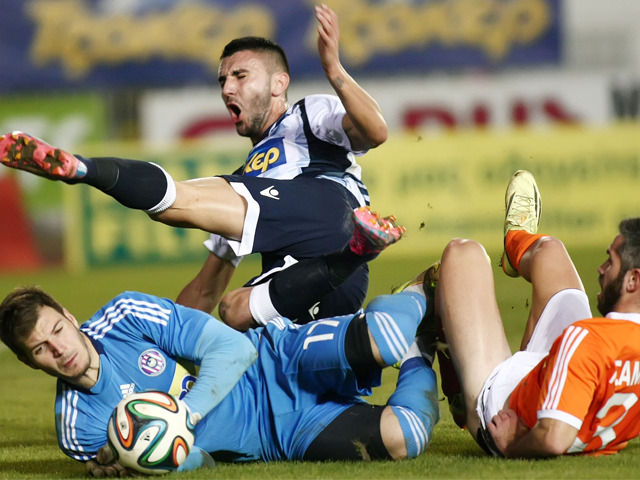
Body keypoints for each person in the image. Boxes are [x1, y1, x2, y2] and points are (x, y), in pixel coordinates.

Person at [0, 4, 391, 330]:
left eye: (240, 75)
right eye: (222, 81)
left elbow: (376, 132)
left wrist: (334, 70)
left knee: (180, 199)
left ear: (278, 84)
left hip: (333, 217)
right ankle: (388, 310)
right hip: (328, 283)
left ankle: (81, 169)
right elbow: (205, 290)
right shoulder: (245, 187)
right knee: (233, 312)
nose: (227, 88)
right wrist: (166, 347)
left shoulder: (307, 115)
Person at [0, 277, 439, 475]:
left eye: (57, 330)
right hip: (276, 439)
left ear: (69, 316)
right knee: (407, 435)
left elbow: (236, 348)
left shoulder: (126, 315)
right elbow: (201, 462)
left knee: (382, 337)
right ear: (29, 362)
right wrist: (154, 466)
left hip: (274, 365)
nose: (59, 350)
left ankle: (420, 292)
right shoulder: (79, 429)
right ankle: (421, 348)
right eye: (40, 349)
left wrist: (183, 416)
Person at [431, 169, 640, 458]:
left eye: (610, 261)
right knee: (549, 249)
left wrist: (511, 444)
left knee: (462, 253)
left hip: (502, 409)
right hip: (557, 376)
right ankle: (515, 240)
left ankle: (458, 384)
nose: (601, 269)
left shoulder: (586, 338)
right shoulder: (590, 342)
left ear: (633, 281)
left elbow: (553, 439)